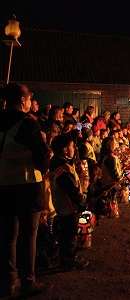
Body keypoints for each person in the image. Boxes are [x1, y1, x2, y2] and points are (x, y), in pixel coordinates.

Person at [0, 83, 53, 297]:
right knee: (28, 236)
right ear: (23, 100)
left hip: (3, 187)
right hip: (27, 187)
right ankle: (28, 282)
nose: (31, 103)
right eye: (30, 99)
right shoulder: (27, 124)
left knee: (7, 236)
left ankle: (8, 282)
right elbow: (42, 160)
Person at [49, 135, 90, 270]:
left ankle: (65, 258)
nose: (74, 148)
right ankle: (69, 260)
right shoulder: (63, 167)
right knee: (70, 235)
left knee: (65, 234)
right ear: (65, 149)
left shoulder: (57, 163)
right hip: (67, 206)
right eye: (72, 146)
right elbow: (71, 188)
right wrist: (81, 201)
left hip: (61, 205)